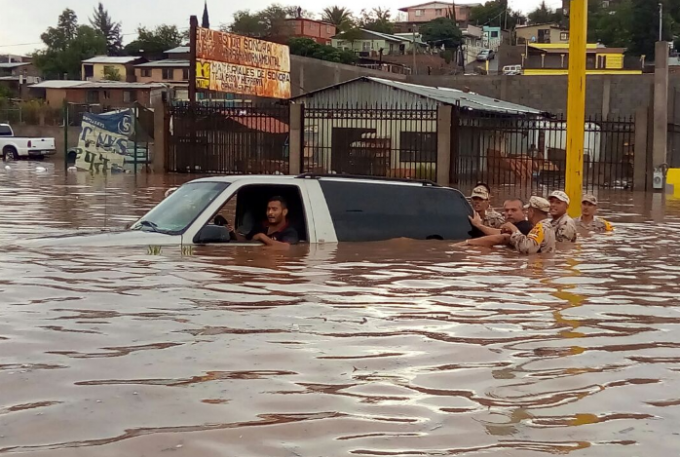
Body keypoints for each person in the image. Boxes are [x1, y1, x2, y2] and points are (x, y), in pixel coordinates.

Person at [229, 196, 299, 246]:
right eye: (268, 209)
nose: (270, 212)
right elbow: (247, 241)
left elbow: (286, 247)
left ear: (284, 212)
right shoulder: (261, 226)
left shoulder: (290, 231)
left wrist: (262, 237)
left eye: (274, 209)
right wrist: (232, 233)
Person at [463, 198, 533, 248]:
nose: (509, 213)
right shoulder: (509, 226)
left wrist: (478, 225)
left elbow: (499, 236)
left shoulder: (525, 227)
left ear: (523, 212)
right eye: (506, 210)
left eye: (513, 210)